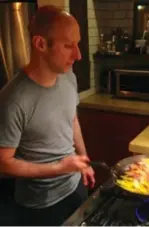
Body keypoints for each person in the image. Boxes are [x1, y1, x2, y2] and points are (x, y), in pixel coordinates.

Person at [0, 5, 95, 226]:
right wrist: (59, 168)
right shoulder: (13, 99)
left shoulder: (68, 75)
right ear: (40, 44)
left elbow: (71, 120)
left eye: (77, 44)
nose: (78, 55)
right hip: (41, 205)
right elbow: (3, 163)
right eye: (69, 46)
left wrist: (84, 161)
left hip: (74, 186)